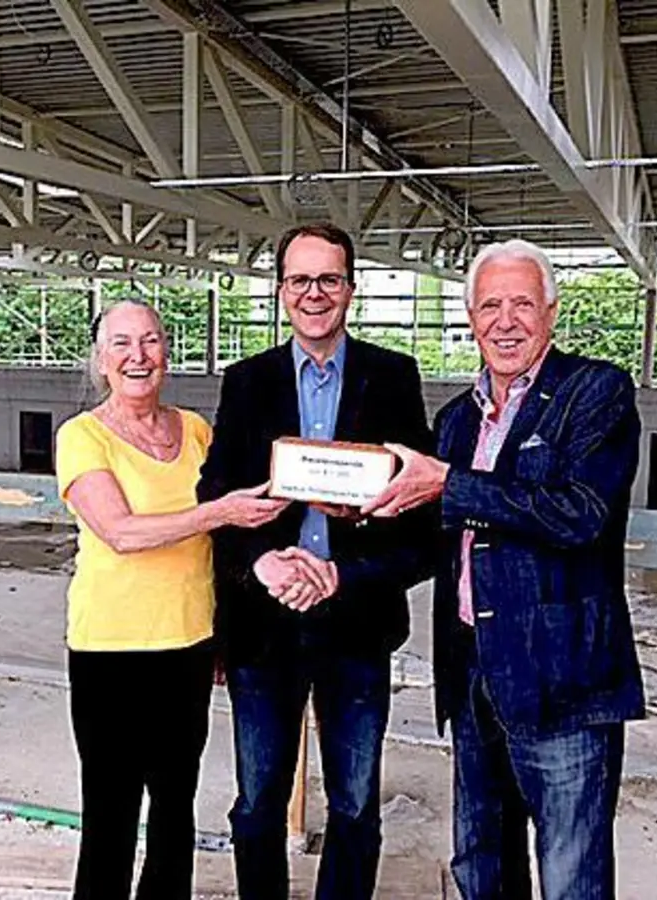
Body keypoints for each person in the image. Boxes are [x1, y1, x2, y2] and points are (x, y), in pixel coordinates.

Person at [364, 239, 646, 900]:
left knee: (571, 873)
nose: (505, 320)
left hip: (563, 679)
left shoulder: (595, 391)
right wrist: (351, 521)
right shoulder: (457, 420)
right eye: (490, 304)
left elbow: (580, 514)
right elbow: (430, 524)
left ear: (551, 312)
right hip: (472, 674)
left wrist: (448, 484)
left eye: (522, 303)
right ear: (470, 316)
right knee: (481, 864)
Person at [197, 222, 438, 900]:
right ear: (281, 293)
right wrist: (260, 563)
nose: (314, 293)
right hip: (262, 629)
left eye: (328, 279)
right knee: (255, 807)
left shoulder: (393, 377)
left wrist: (357, 540)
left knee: (356, 806)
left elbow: (421, 518)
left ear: (350, 290)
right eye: (300, 280)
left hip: (357, 625)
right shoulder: (247, 382)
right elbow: (215, 497)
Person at [56, 299, 291, 900]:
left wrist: (220, 628)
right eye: (123, 344)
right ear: (101, 360)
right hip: (111, 648)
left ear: (167, 352)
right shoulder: (82, 437)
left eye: (152, 342)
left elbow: (220, 536)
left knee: (175, 805)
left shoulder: (196, 430)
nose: (139, 356)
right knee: (111, 808)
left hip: (187, 644)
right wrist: (221, 510)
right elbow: (122, 532)